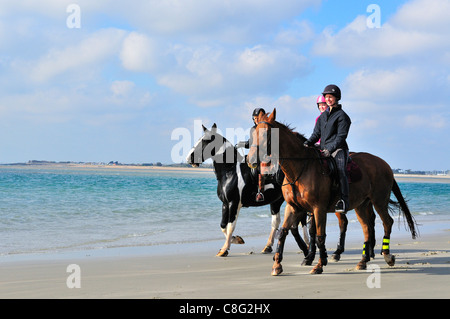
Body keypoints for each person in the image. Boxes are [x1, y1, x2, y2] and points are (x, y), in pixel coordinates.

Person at [303, 85, 351, 213]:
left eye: (330, 97)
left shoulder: (342, 116)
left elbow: (341, 137)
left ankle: (343, 201)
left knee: (340, 170)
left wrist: (330, 149)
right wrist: (307, 143)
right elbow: (316, 134)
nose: (328, 99)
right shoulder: (322, 116)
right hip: (323, 148)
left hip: (338, 149)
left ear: (337, 98)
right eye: (326, 97)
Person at [237, 108, 266, 202]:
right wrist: (241, 144)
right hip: (254, 154)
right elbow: (250, 143)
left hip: (265, 154)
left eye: (257, 118)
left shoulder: (267, 128)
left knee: (257, 168)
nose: (256, 120)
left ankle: (260, 191)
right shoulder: (253, 129)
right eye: (254, 118)